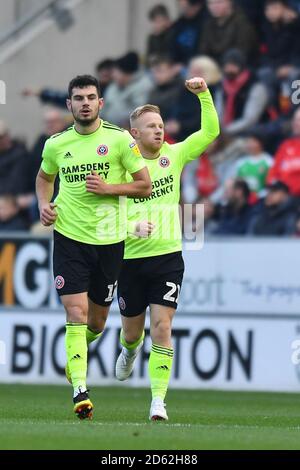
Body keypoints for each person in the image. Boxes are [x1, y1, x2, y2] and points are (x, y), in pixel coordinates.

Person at [35, 75, 151, 420]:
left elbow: (144, 186)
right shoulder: (55, 144)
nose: (84, 103)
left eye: (90, 97)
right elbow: (45, 178)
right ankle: (80, 390)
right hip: (69, 238)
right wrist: (43, 204)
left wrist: (109, 188)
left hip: (110, 241)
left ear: (101, 103)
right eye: (77, 98)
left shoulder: (119, 141)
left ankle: (77, 356)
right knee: (76, 313)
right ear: (68, 104)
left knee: (97, 323)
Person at [114, 77, 219, 421]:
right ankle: (129, 351)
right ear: (134, 134)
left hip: (167, 258)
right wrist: (131, 226)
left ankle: (158, 401)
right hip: (129, 260)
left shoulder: (173, 154)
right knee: (132, 333)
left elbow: (209, 134)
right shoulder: (120, 166)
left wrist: (204, 95)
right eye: (151, 127)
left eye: (160, 125)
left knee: (162, 327)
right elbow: (102, 214)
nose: (159, 131)